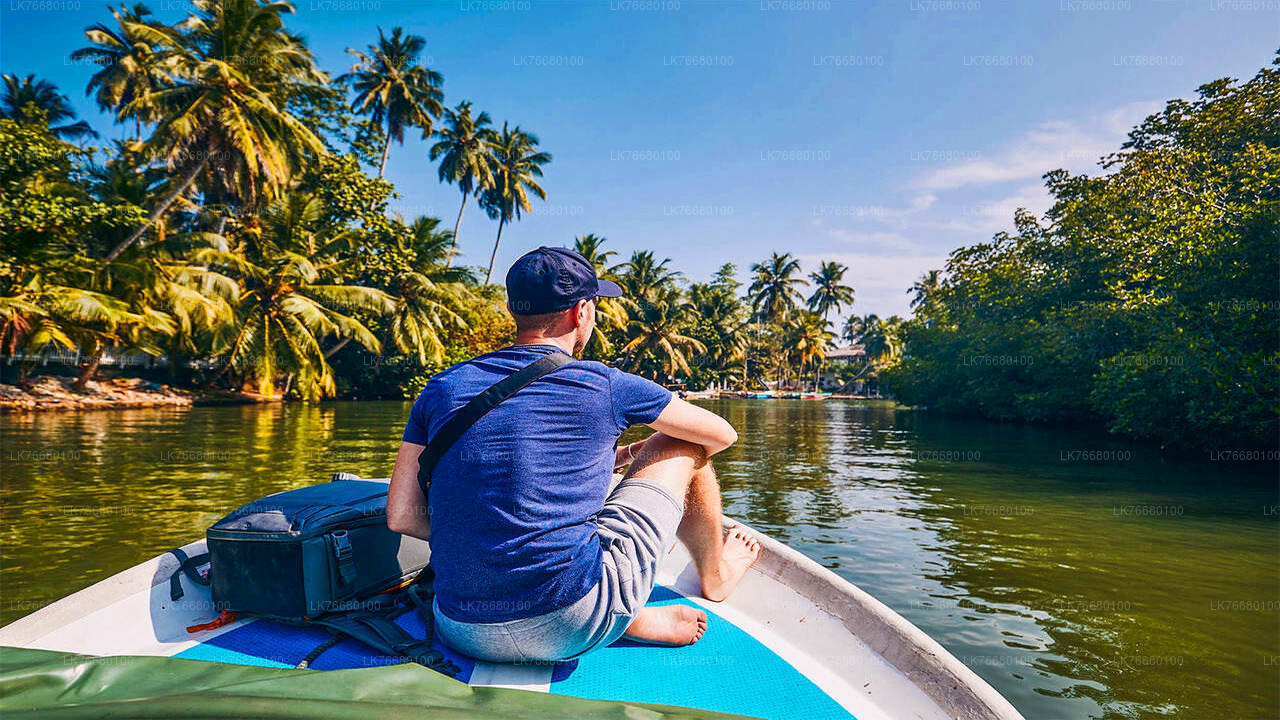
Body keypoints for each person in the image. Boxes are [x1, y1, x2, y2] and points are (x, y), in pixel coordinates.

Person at [386, 246, 760, 662]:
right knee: (684, 442)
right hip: (571, 619)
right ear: (581, 312)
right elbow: (721, 435)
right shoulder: (605, 383)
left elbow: (402, 516)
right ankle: (714, 576)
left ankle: (619, 615)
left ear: (514, 309)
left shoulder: (441, 387)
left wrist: (611, 456)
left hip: (459, 627)